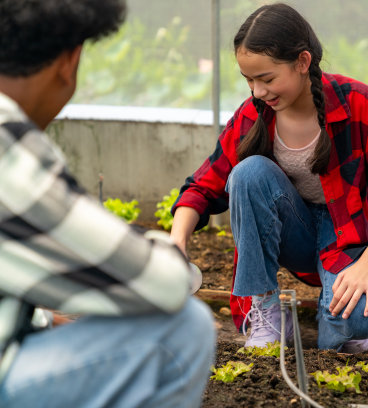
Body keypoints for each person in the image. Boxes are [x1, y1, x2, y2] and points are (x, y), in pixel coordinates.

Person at [171, 3, 368, 353]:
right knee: (247, 173)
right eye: (249, 80)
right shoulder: (254, 115)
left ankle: (342, 315)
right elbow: (203, 184)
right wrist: (177, 240)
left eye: (267, 79)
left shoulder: (358, 104)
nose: (258, 91)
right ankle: (268, 310)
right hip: (294, 233)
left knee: (352, 325)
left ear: (303, 62)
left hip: (348, 240)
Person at [0, 1, 216, 407]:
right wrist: (166, 250)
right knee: (182, 328)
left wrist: (44, 318)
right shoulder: (6, 142)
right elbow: (165, 282)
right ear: (70, 60)